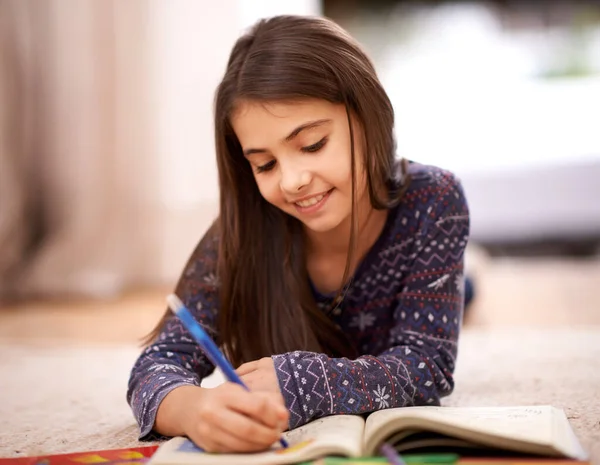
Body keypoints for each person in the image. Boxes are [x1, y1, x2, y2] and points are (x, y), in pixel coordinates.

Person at [126, 14, 471, 454]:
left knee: (465, 293)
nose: (291, 181)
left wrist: (307, 381)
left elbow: (429, 365)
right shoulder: (242, 232)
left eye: (311, 145)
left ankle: (470, 280)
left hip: (421, 269)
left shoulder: (433, 201)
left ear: (367, 115)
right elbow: (156, 365)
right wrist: (195, 409)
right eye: (265, 164)